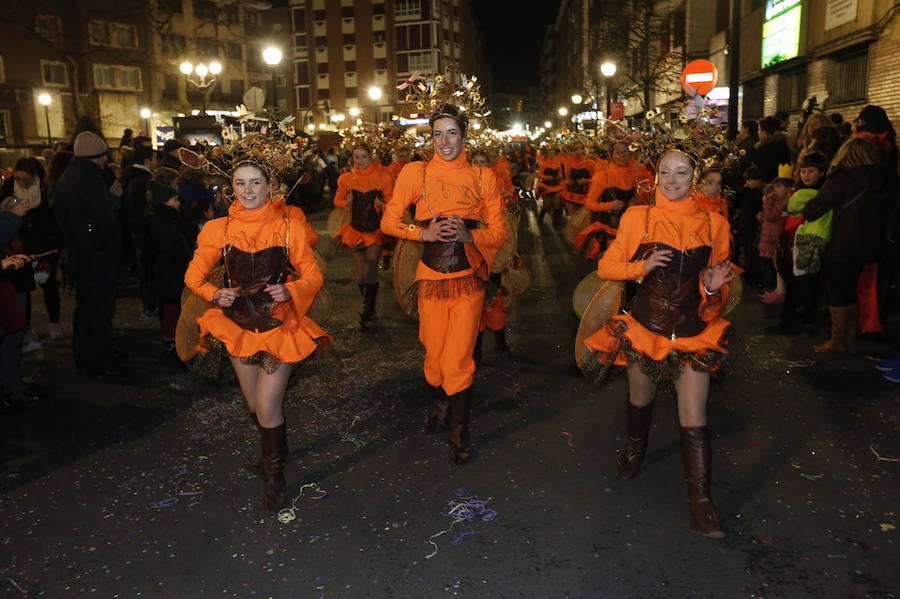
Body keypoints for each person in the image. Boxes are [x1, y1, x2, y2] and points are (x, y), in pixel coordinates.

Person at [583, 149, 733, 539]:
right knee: (640, 398)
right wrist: (641, 267)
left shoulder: (715, 224)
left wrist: (712, 287)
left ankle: (702, 503)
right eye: (665, 172)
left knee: (694, 416)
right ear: (656, 175)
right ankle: (635, 450)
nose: (671, 180)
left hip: (691, 332)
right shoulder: (639, 217)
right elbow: (606, 266)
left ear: (695, 176)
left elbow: (719, 285)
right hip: (645, 328)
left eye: (681, 172)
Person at [184, 161, 330, 511]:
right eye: (240, 183)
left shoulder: (288, 227)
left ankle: (275, 475)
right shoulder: (217, 229)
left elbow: (313, 275)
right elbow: (193, 275)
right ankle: (274, 446)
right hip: (237, 325)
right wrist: (212, 294)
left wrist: (292, 290)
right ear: (231, 188)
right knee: (255, 406)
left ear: (269, 187)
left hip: (279, 326)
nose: (248, 190)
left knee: (266, 405)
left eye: (255, 183)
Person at [380, 104, 507, 465]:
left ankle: (459, 429)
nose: (444, 141)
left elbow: (499, 231)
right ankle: (438, 402)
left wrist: (470, 233)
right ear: (430, 137)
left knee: (459, 358)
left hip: (468, 282)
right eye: (437, 133)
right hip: (430, 281)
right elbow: (390, 222)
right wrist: (421, 232)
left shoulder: (484, 177)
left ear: (464, 136)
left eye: (452, 133)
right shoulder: (414, 172)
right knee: (434, 358)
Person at [53, 131, 128, 379]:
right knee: (97, 311)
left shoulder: (70, 176)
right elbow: (102, 219)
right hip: (96, 258)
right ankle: (95, 361)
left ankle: (93, 357)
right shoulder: (88, 179)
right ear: (100, 156)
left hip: (83, 255)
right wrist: (114, 200)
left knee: (88, 310)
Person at [802, 137, 886, 352]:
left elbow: (815, 209)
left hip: (842, 244)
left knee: (837, 290)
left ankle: (837, 341)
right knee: (851, 289)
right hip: (868, 244)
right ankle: (850, 338)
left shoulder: (842, 178)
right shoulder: (881, 179)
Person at [332, 142, 394, 328]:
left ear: (371, 157)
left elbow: (393, 203)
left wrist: (381, 203)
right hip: (355, 229)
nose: (360, 161)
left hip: (375, 230)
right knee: (360, 276)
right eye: (357, 157)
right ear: (353, 159)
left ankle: (368, 309)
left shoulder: (383, 178)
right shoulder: (346, 179)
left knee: (371, 267)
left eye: (364, 157)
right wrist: (347, 203)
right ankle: (369, 306)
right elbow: (337, 200)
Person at [767, 153, 828, 336]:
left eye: (811, 171)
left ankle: (808, 322)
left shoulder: (816, 194)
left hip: (806, 243)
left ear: (822, 172)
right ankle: (789, 321)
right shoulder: (799, 191)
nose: (806, 175)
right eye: (803, 171)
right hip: (790, 241)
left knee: (806, 285)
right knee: (793, 284)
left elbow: (791, 208)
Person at [146, 181, 197, 358]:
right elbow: (171, 248)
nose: (178, 203)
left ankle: (170, 337)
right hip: (170, 272)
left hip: (168, 271)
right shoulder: (165, 222)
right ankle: (170, 339)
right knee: (171, 304)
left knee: (170, 304)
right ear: (164, 202)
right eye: (174, 199)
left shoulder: (168, 219)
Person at [573, 142, 650, 259]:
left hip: (633, 229)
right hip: (609, 229)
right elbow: (589, 204)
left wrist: (637, 199)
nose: (622, 156)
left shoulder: (638, 174)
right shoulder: (602, 177)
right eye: (618, 153)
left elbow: (649, 194)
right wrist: (609, 205)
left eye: (625, 152)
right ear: (611, 155)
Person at [121, 145, 159, 316]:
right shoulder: (143, 180)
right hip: (144, 230)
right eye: (154, 158)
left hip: (136, 228)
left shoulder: (131, 177)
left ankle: (148, 304)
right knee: (147, 267)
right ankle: (150, 305)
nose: (156, 162)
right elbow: (144, 208)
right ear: (147, 160)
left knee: (144, 266)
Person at [757, 178, 792, 303]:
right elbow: (769, 216)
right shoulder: (774, 200)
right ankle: (771, 290)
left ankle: (775, 291)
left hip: (776, 239)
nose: (775, 190)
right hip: (769, 238)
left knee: (776, 267)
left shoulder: (784, 200)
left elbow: (771, 216)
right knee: (770, 266)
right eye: (775, 187)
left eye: (779, 187)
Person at [732, 167, 764, 288]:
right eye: (750, 179)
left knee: (751, 252)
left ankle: (753, 277)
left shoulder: (761, 194)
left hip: (754, 227)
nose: (752, 182)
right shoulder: (743, 192)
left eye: (755, 179)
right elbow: (737, 209)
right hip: (743, 225)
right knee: (741, 249)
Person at [560, 143, 596, 215]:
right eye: (575, 149)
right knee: (573, 218)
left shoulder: (590, 163)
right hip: (572, 194)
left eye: (581, 149)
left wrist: (586, 181)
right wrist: (568, 182)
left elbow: (595, 179)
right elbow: (566, 179)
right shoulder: (568, 163)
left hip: (587, 194)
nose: (578, 151)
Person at [754, 117, 792, 182]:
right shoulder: (784, 144)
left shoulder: (763, 148)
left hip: (767, 184)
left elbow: (760, 170)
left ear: (765, 131)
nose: (758, 133)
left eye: (759, 130)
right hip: (782, 183)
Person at [536, 146, 567, 225]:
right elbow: (539, 175)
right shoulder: (543, 164)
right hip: (546, 186)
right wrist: (547, 177)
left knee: (557, 203)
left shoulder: (558, 163)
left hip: (556, 186)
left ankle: (555, 221)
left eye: (553, 154)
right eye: (550, 154)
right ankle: (540, 218)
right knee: (546, 204)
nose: (552, 155)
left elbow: (560, 174)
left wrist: (559, 177)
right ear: (547, 155)